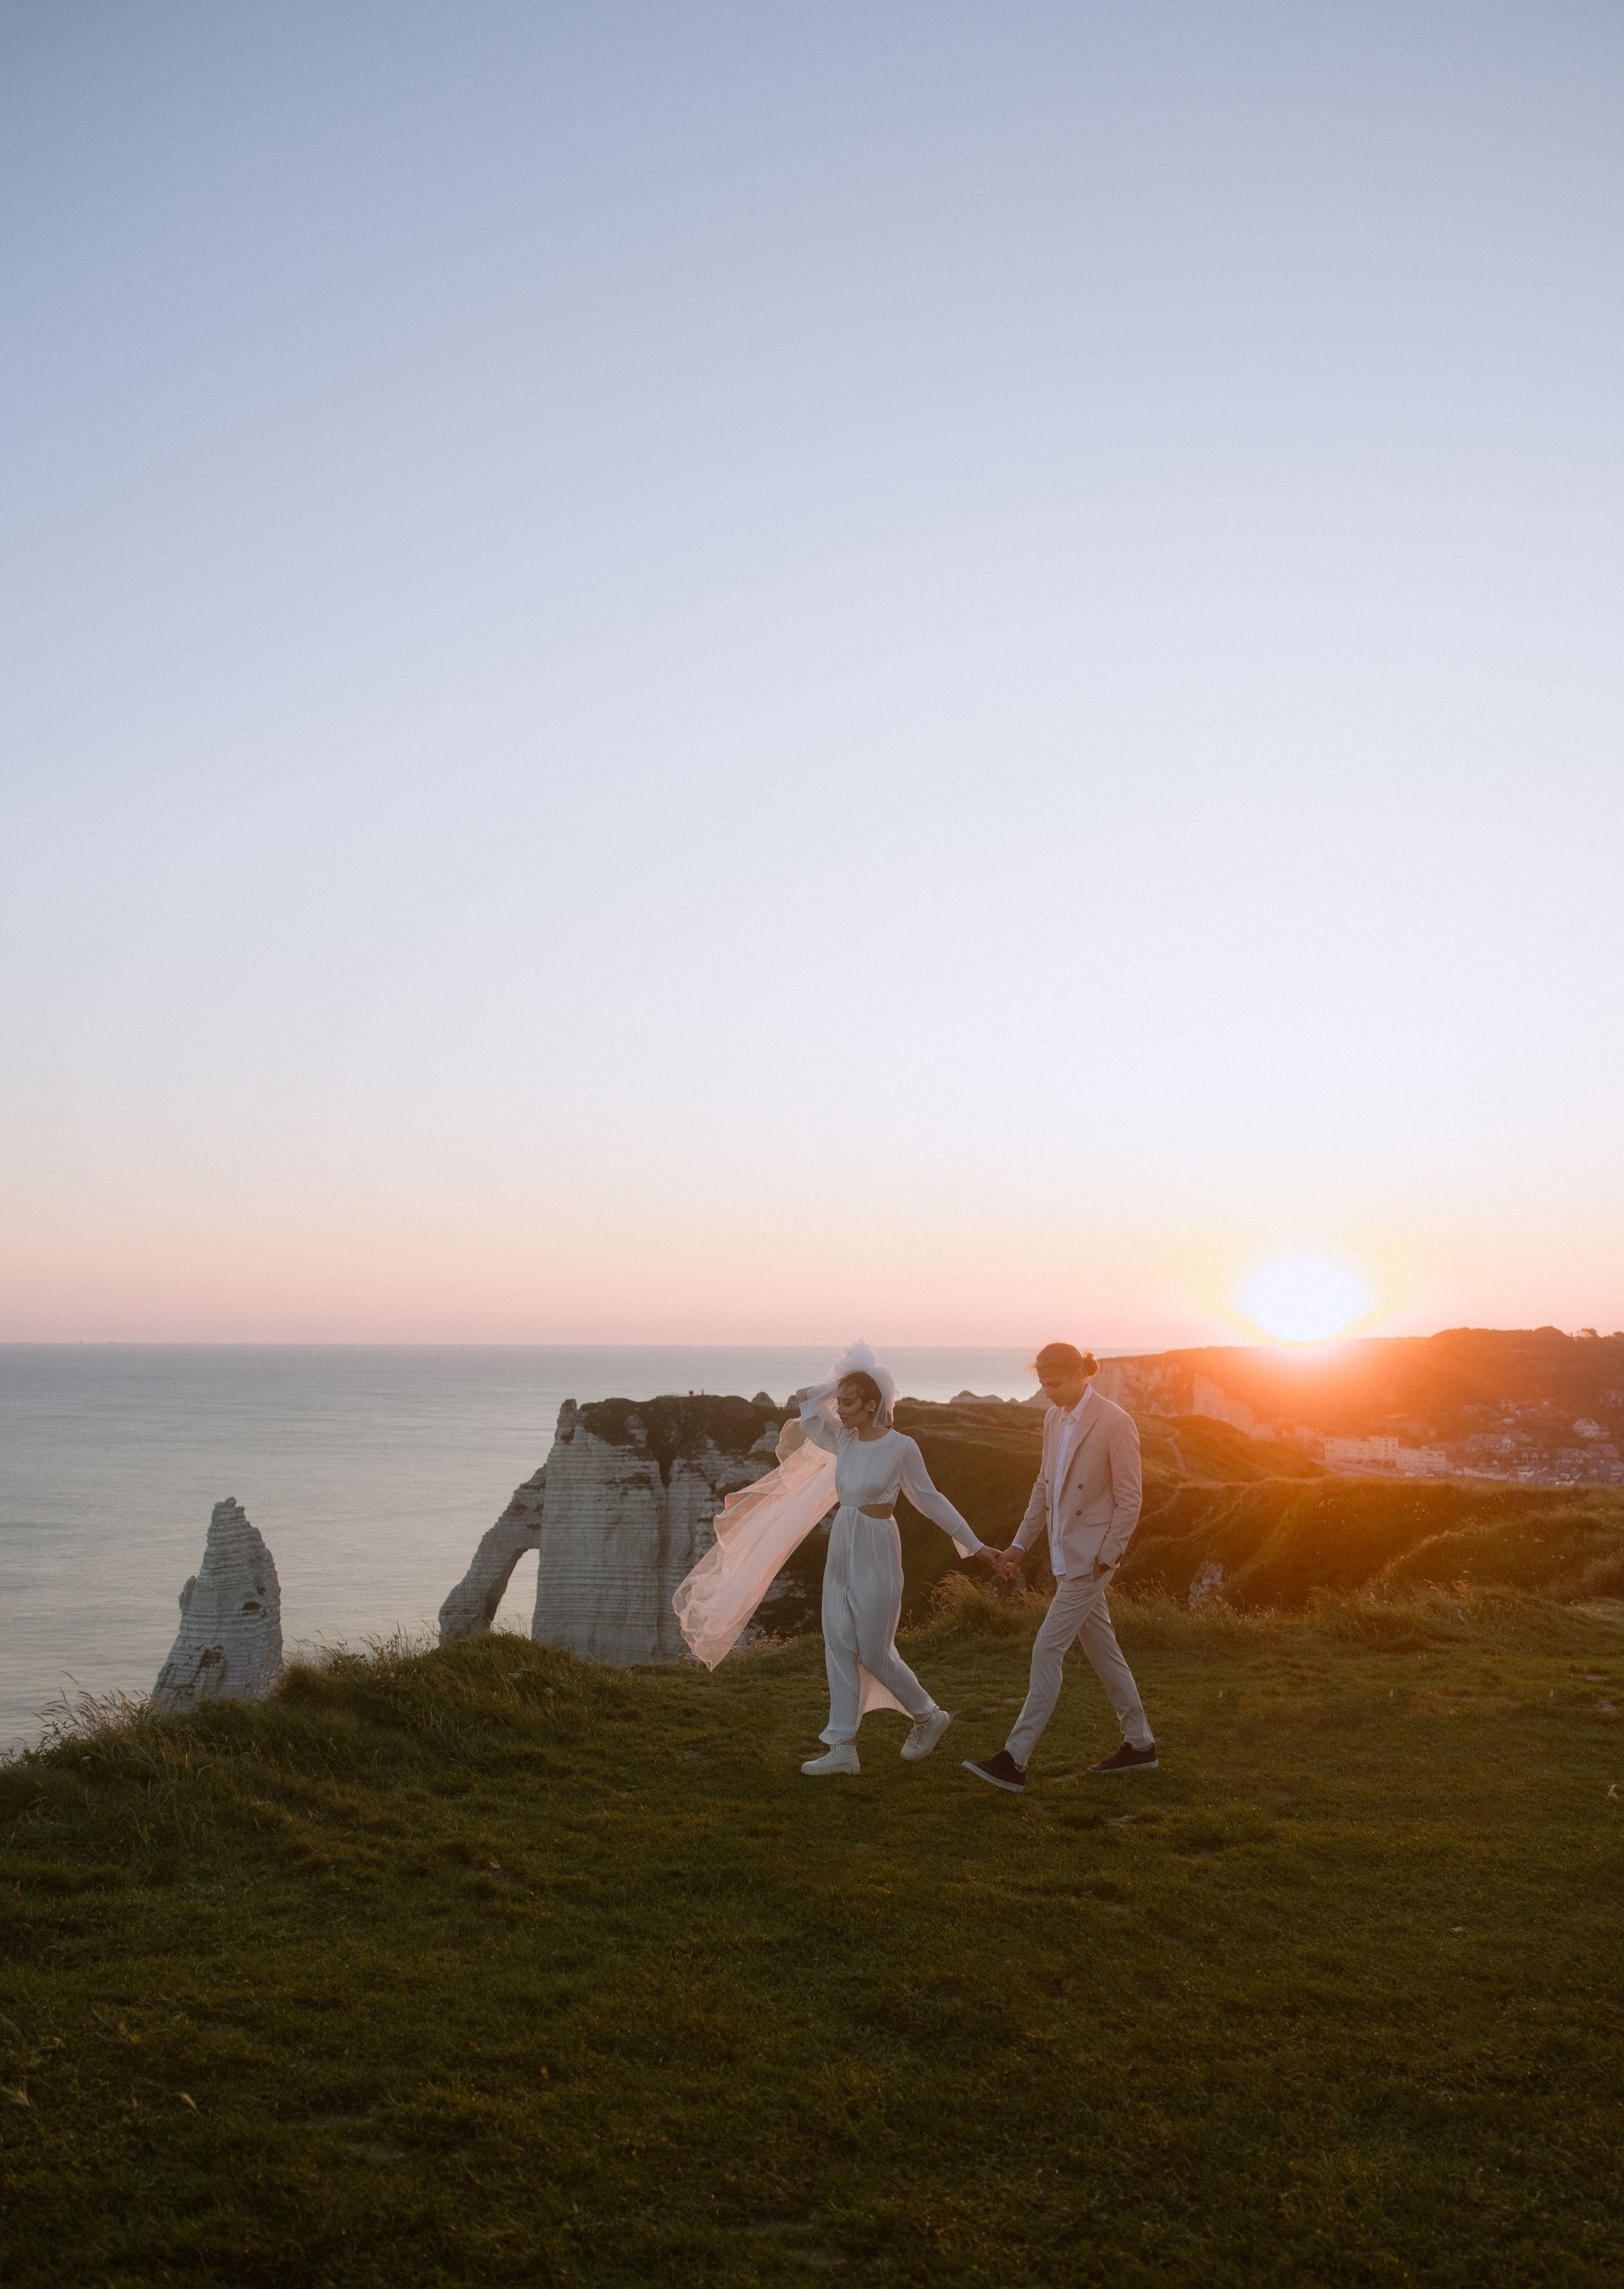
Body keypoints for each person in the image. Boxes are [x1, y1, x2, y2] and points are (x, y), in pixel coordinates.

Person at [789, 1344, 1001, 1776]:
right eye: (840, 1402)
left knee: (874, 1650)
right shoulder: (842, 1438)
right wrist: (847, 1379)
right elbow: (805, 1402)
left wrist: (976, 1546)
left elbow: (930, 1500)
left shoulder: (901, 1447)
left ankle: (928, 1716)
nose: (840, 1409)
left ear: (873, 1405)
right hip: (842, 1544)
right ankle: (843, 1748)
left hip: (878, 1547)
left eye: (849, 1403)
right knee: (839, 1646)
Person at [962, 1342, 1155, 1795]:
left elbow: (1131, 1498)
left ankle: (1014, 1760)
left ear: (1078, 1376)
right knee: (1105, 1654)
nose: (1047, 1392)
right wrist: (1018, 1545)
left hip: (1093, 1558)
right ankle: (1141, 1745)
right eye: (1042, 1383)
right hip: (1066, 1553)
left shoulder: (1115, 1422)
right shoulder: (1052, 1419)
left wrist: (1108, 1555)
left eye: (1054, 1383)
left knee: (1046, 1650)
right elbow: (1044, 1487)